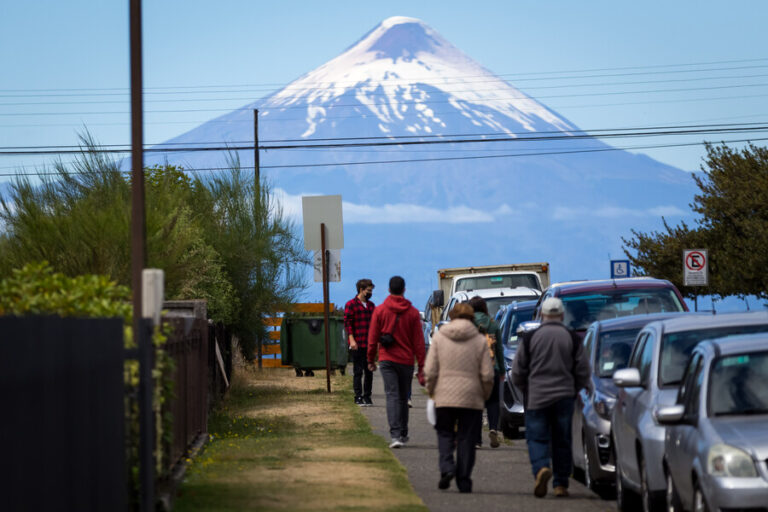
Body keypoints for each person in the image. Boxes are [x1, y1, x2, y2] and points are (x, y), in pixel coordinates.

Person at [512, 297, 591, 498]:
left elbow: (517, 371)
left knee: (536, 437)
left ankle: (541, 468)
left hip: (537, 396)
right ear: (562, 315)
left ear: (542, 315)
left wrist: (526, 388)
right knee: (562, 440)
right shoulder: (571, 338)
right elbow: (582, 369)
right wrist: (575, 389)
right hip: (564, 396)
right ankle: (560, 484)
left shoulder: (531, 338)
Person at [424, 303, 494, 493]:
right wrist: (484, 394)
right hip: (471, 397)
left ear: (452, 317)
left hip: (444, 395)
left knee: (445, 434)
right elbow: (487, 375)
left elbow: (429, 371)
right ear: (471, 318)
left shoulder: (439, 338)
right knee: (467, 438)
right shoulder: (479, 341)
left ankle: (447, 468)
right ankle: (464, 479)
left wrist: (432, 390)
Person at [367, 275, 426, 449]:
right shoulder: (413, 313)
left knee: (392, 395)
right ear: (404, 290)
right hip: (406, 361)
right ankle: (403, 432)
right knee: (402, 396)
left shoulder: (380, 311)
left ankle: (395, 435)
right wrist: (421, 366)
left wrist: (370, 359)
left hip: (387, 359)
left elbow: (372, 338)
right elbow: (419, 343)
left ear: (389, 290)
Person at [468, 296, 504, 449]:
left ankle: (477, 440)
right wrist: (502, 370)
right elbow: (500, 351)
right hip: (492, 368)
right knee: (493, 402)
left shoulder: (467, 324)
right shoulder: (494, 325)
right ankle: (493, 428)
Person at [344, 278, 376, 406]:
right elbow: (348, 323)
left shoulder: (371, 306)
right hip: (357, 343)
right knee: (358, 371)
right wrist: (351, 340)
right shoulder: (351, 304)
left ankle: (367, 396)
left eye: (371, 291)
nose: (370, 293)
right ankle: (358, 397)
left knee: (369, 372)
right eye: (368, 290)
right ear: (361, 290)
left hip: (369, 343)